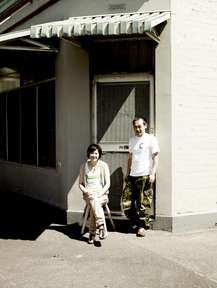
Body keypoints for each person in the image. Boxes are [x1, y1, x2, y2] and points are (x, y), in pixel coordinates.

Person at [122, 117, 160, 237]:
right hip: (132, 175)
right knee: (126, 203)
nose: (137, 129)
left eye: (139, 126)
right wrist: (127, 173)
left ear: (145, 125)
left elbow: (156, 156)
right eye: (135, 127)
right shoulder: (132, 140)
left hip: (145, 175)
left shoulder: (151, 139)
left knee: (143, 204)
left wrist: (153, 173)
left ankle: (142, 226)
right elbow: (130, 158)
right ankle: (135, 222)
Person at [79, 144, 110, 244]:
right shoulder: (83, 166)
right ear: (88, 154)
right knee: (93, 198)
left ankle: (92, 233)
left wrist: (100, 192)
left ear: (99, 154)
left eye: (96, 153)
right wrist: (86, 191)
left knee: (94, 203)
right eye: (92, 153)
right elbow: (80, 184)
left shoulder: (103, 165)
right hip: (88, 193)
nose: (94, 155)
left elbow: (108, 184)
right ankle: (101, 226)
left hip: (101, 193)